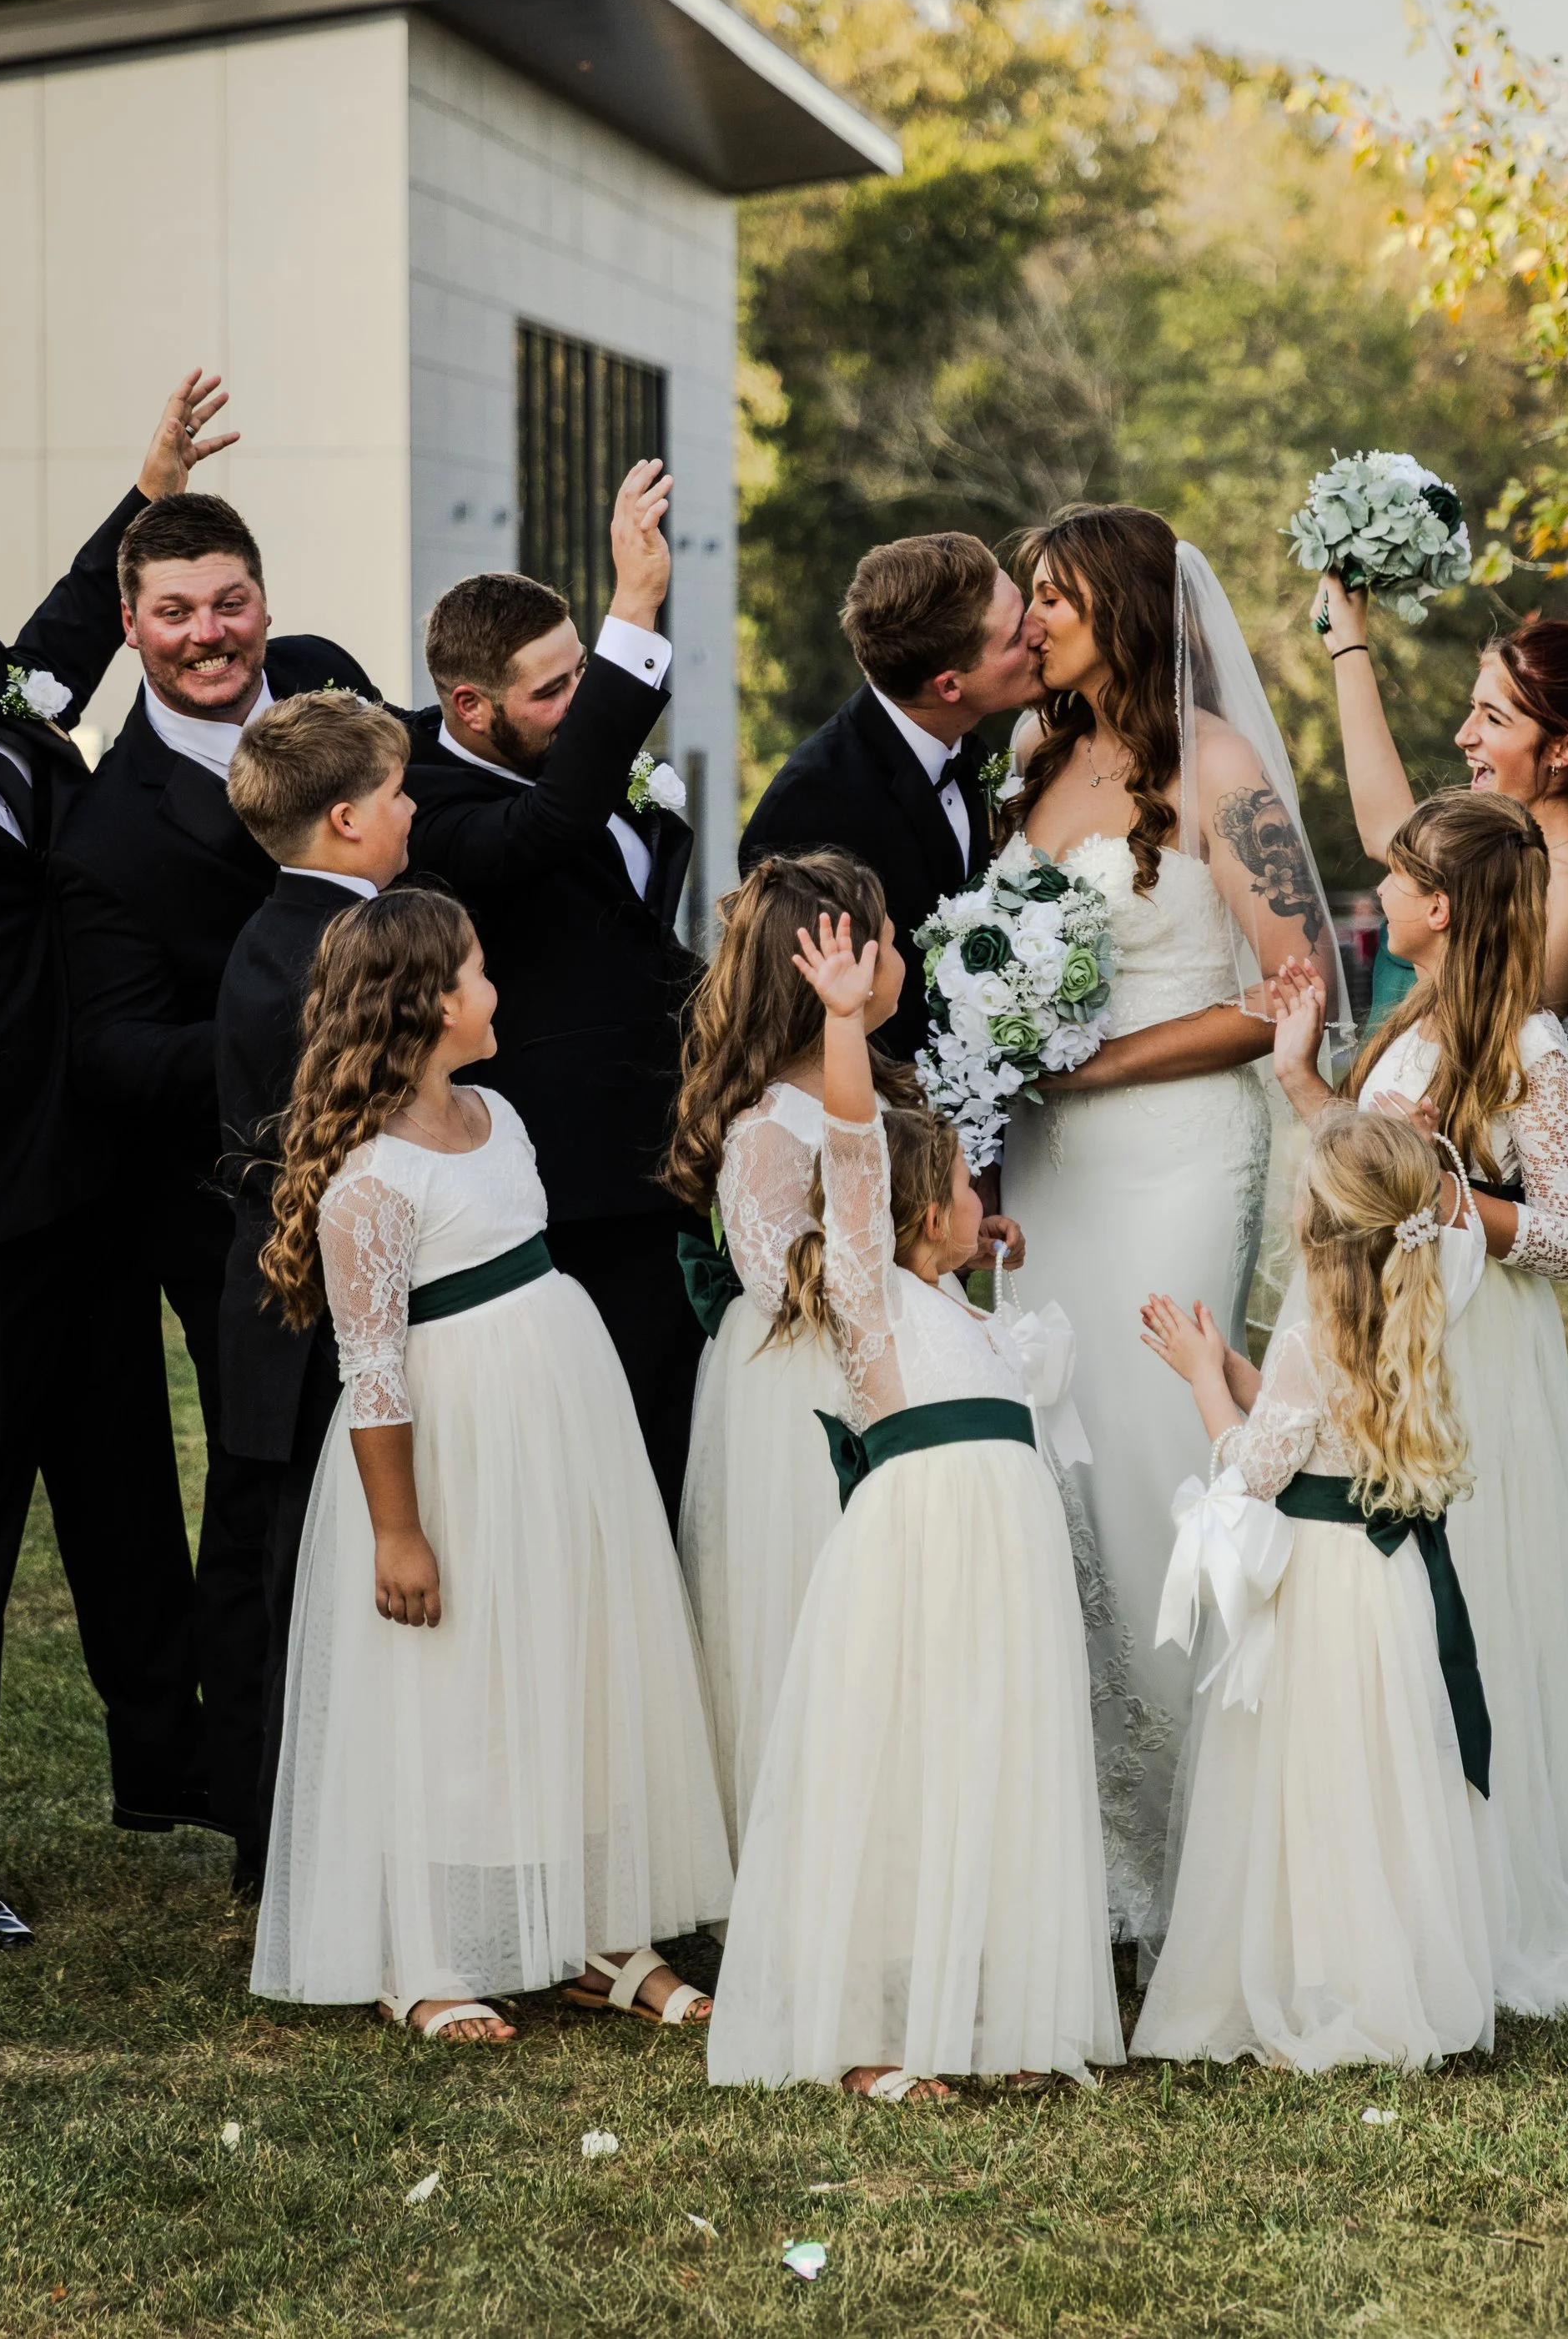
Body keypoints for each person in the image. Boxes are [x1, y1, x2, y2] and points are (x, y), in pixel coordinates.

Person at [250, 891, 731, 2044]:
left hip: (559, 1424)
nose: (496, 989)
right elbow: (372, 1371)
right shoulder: (369, 1181)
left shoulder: (500, 1117)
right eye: (478, 971)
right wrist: (400, 1531)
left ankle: (605, 1933)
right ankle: (421, 1949)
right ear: (426, 1004)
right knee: (452, 1680)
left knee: (573, 1649)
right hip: (453, 1449)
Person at [0, 371, 236, 1943]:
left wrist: (145, 489)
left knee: (128, 1515)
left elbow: (57, 639)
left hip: (95, 1186)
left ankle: (180, 1773)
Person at [997, 504, 1341, 1943]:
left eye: (1056, 597)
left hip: (1174, 1154)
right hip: (1040, 1163)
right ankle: (1084, 1850)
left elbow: (1293, 982)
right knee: (1051, 1465)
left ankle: (1213, 1844)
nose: (1032, 621)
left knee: (1152, 1459)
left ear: (1127, 609)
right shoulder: (1033, 761)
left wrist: (1103, 1063)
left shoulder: (1220, 769)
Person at [708, 913, 1120, 2099]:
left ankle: (988, 2001)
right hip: (919, 1553)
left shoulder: (963, 1309)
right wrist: (844, 1021)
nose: (968, 1196)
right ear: (901, 1211)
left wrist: (983, 1266)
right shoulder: (867, 1296)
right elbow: (849, 1147)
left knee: (992, 1757)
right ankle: (870, 2025)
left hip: (1002, 1561)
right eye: (954, 1183)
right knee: (903, 1763)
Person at [1269, 795, 1568, 2016]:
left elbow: (1557, 1237)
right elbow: (1359, 1161)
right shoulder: (1416, 1015)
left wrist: (1442, 1186)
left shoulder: (1535, 1045)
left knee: (1474, 1590)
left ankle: (1490, 1895)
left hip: (1475, 1344)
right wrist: (1299, 1074)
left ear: (1439, 909)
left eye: (1393, 878)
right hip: (1391, 1318)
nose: (1377, 891)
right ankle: (1394, 1878)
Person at [54, 487, 378, 1870]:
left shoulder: (325, 682)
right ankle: (270, 1813)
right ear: (131, 628)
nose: (210, 635)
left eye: (228, 601)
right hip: (223, 1204)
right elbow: (120, 1052)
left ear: (263, 597)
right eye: (175, 612)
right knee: (271, 1490)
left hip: (413, 1168)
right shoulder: (108, 832)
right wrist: (305, 1044)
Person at [1130, 1109, 1501, 2072]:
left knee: (1309, 1773)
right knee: (1378, 1778)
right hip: (1391, 1587)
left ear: (1317, 1228)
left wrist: (1203, 1377)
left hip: (1319, 1593)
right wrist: (1244, 1370)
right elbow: (1319, 1420)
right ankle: (1392, 1968)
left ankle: (1310, 1973)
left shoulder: (1310, 1339)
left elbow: (1253, 1469)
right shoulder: (1412, 1317)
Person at [402, 463, 702, 1524]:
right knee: (598, 1480)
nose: (583, 708)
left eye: (586, 672)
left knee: (682, 1447)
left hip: (667, 1160)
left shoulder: (567, 756)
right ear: (469, 706)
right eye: (554, 690)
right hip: (561, 1193)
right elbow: (543, 834)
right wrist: (633, 611)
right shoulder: (423, 806)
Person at [666, 851, 913, 1848]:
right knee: (815, 1607)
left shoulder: (881, 1087)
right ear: (834, 974)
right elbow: (784, 1279)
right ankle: (800, 1846)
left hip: (885, 1360)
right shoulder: (771, 1127)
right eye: (887, 939)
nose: (901, 953)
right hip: (811, 1397)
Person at [212, 691, 415, 1884]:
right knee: (298, 1571)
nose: (413, 809)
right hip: (312, 1314)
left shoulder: (279, 927)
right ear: (346, 818)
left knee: (277, 1563)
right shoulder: (341, 958)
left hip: (273, 1297)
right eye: (397, 794)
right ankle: (292, 1836)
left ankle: (281, 1827)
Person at [1314, 580, 1568, 1024]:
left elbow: (1494, 1053)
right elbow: (1385, 833)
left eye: (1493, 718)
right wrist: (1348, 645)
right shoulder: (1476, 845)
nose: (1463, 735)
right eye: (1473, 708)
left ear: (1562, 749)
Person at [738, 533, 1045, 1061]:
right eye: (1016, 635)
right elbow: (819, 1033)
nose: (1040, 631)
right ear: (949, 686)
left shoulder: (969, 743)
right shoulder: (808, 812)